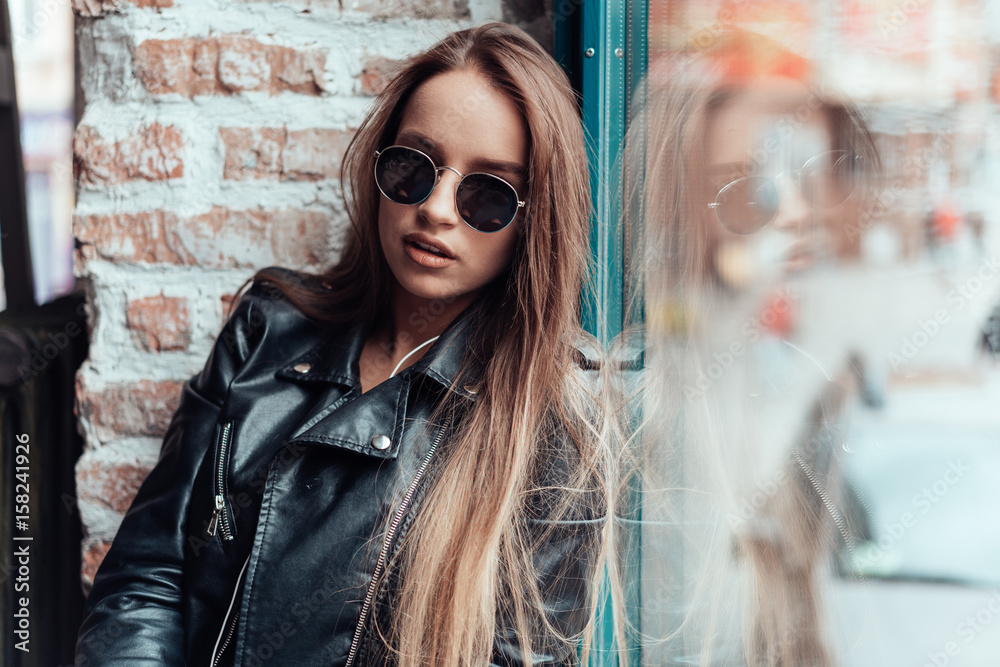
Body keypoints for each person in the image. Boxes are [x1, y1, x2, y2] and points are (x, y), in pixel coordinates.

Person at [76, 23, 615, 667]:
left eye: (486, 195)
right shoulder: (267, 329)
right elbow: (146, 577)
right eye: (413, 167)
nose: (437, 209)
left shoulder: (551, 414)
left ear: (537, 216)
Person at [619, 26, 878, 666]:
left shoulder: (791, 360)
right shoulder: (638, 368)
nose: (791, 212)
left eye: (802, 176)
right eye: (750, 181)